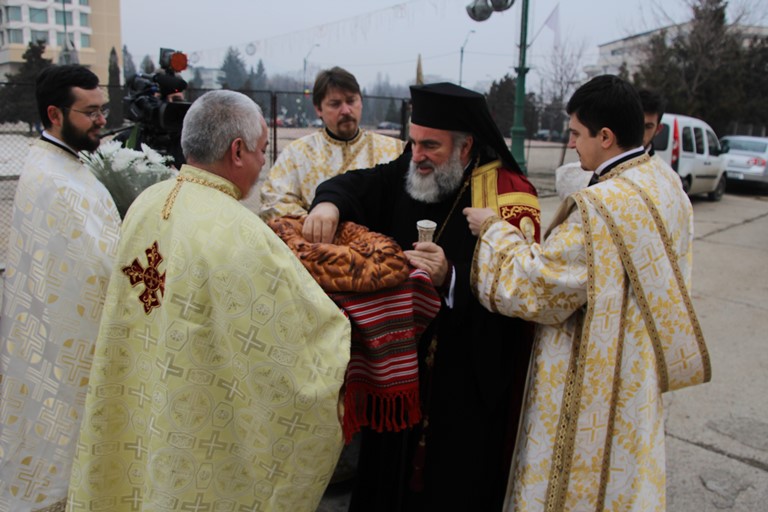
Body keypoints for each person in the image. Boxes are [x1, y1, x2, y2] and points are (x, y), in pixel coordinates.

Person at [67, 90, 351, 511]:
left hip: (143, 395)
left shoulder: (146, 203)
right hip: (195, 424)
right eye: (260, 150)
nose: (261, 162)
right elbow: (298, 345)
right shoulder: (242, 232)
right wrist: (343, 334)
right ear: (237, 151)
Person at [464, 75, 710, 511]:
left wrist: (494, 232)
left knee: (579, 484)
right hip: (636, 370)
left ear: (606, 136)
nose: (572, 143)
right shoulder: (666, 183)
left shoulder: (600, 209)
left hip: (593, 375)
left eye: (576, 133)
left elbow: (537, 287)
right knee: (626, 475)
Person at [304, 82, 541, 511]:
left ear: (466, 146)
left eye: (430, 145)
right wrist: (328, 205)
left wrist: (451, 277)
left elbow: (522, 296)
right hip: (398, 371)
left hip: (461, 385)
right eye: (413, 142)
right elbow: (360, 184)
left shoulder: (508, 195)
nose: (417, 155)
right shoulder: (412, 170)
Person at [0, 64, 121, 512]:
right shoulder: (51, 178)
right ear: (55, 113)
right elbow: (99, 264)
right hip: (67, 340)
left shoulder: (65, 162)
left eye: (103, 109)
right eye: (90, 112)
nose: (102, 119)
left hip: (62, 335)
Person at [259, 66, 404, 220]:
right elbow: (273, 202)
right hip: (318, 242)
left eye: (351, 101)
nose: (346, 110)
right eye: (335, 104)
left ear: (360, 101)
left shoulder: (394, 150)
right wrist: (315, 223)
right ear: (318, 109)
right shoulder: (296, 154)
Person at [638, 87, 667, 157]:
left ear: (658, 129)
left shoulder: (660, 168)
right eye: (637, 124)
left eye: (648, 127)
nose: (640, 132)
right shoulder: (609, 159)